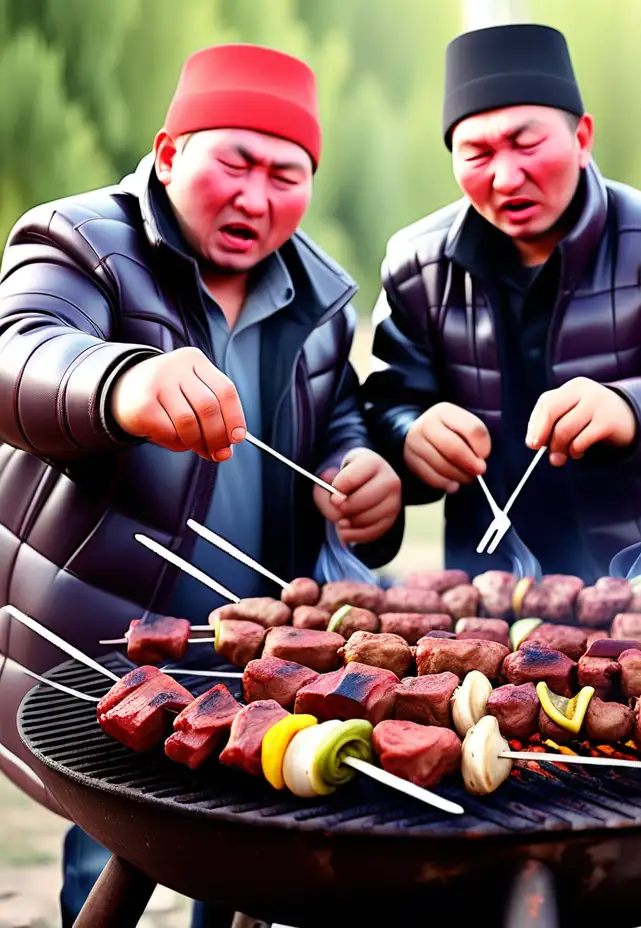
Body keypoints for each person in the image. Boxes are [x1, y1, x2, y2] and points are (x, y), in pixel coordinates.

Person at [0, 44, 403, 927]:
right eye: (235, 160)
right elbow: (19, 353)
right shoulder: (77, 240)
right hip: (111, 649)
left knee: (255, 866)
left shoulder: (321, 294)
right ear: (171, 149)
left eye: (287, 174)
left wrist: (357, 476)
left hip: (259, 658)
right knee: (110, 860)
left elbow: (338, 421)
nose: (259, 197)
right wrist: (117, 382)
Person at [361, 22, 641, 582]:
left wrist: (627, 408)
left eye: (527, 144)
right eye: (476, 153)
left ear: (582, 139)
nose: (506, 177)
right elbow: (384, 404)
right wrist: (412, 435)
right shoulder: (418, 263)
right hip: (487, 593)